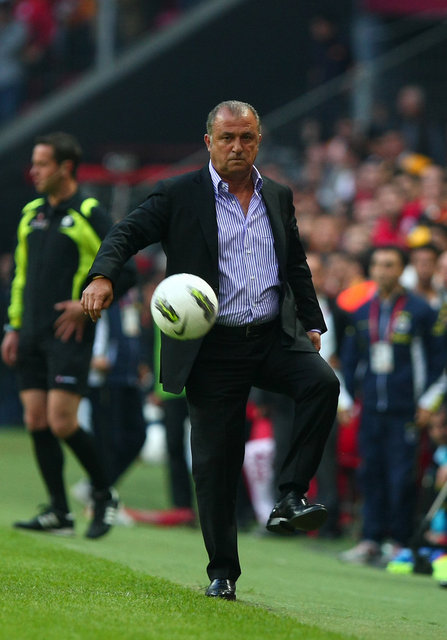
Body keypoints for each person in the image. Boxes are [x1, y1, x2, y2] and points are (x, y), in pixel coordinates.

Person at [81, 100, 340, 600]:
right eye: (227, 138)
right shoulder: (180, 193)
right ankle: (223, 572)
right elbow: (127, 232)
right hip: (212, 347)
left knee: (322, 384)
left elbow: (295, 262)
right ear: (209, 142)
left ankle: (290, 495)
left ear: (258, 141)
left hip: (270, 336)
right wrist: (102, 275)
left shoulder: (278, 195)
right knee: (216, 463)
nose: (237, 147)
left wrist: (311, 321)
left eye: (246, 137)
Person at [1, 131, 124, 539]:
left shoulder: (89, 212)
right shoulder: (31, 213)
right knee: (36, 419)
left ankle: (104, 493)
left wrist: (84, 306)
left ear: (66, 167)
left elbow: (124, 267)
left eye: (42, 164)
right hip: (30, 332)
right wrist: (13, 327)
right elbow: (19, 275)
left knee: (62, 421)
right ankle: (59, 512)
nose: (33, 171)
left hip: (70, 333)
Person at [340, 245, 446, 565]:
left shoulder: (421, 310)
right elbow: (350, 361)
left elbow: (439, 362)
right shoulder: (361, 312)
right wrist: (346, 400)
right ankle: (370, 539)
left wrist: (428, 402)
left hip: (407, 411)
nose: (382, 270)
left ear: (401, 269)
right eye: (377, 264)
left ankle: (399, 542)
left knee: (401, 477)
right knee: (370, 473)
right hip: (372, 408)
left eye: (389, 264)